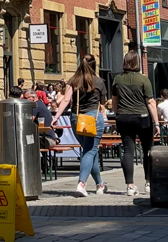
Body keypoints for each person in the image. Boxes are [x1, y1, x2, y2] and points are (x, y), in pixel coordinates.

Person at [52, 54, 107, 197]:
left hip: (77, 118)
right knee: (90, 151)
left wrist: (56, 117)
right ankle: (81, 183)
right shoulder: (99, 82)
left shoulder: (73, 80)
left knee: (89, 151)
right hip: (94, 118)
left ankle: (100, 184)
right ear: (94, 65)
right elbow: (102, 103)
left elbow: (65, 100)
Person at [112, 50, 160, 196]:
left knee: (128, 150)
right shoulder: (143, 80)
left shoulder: (117, 79)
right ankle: (148, 182)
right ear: (137, 63)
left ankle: (130, 185)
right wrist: (156, 122)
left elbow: (115, 101)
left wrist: (117, 114)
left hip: (124, 117)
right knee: (147, 150)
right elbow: (150, 101)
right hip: (142, 117)